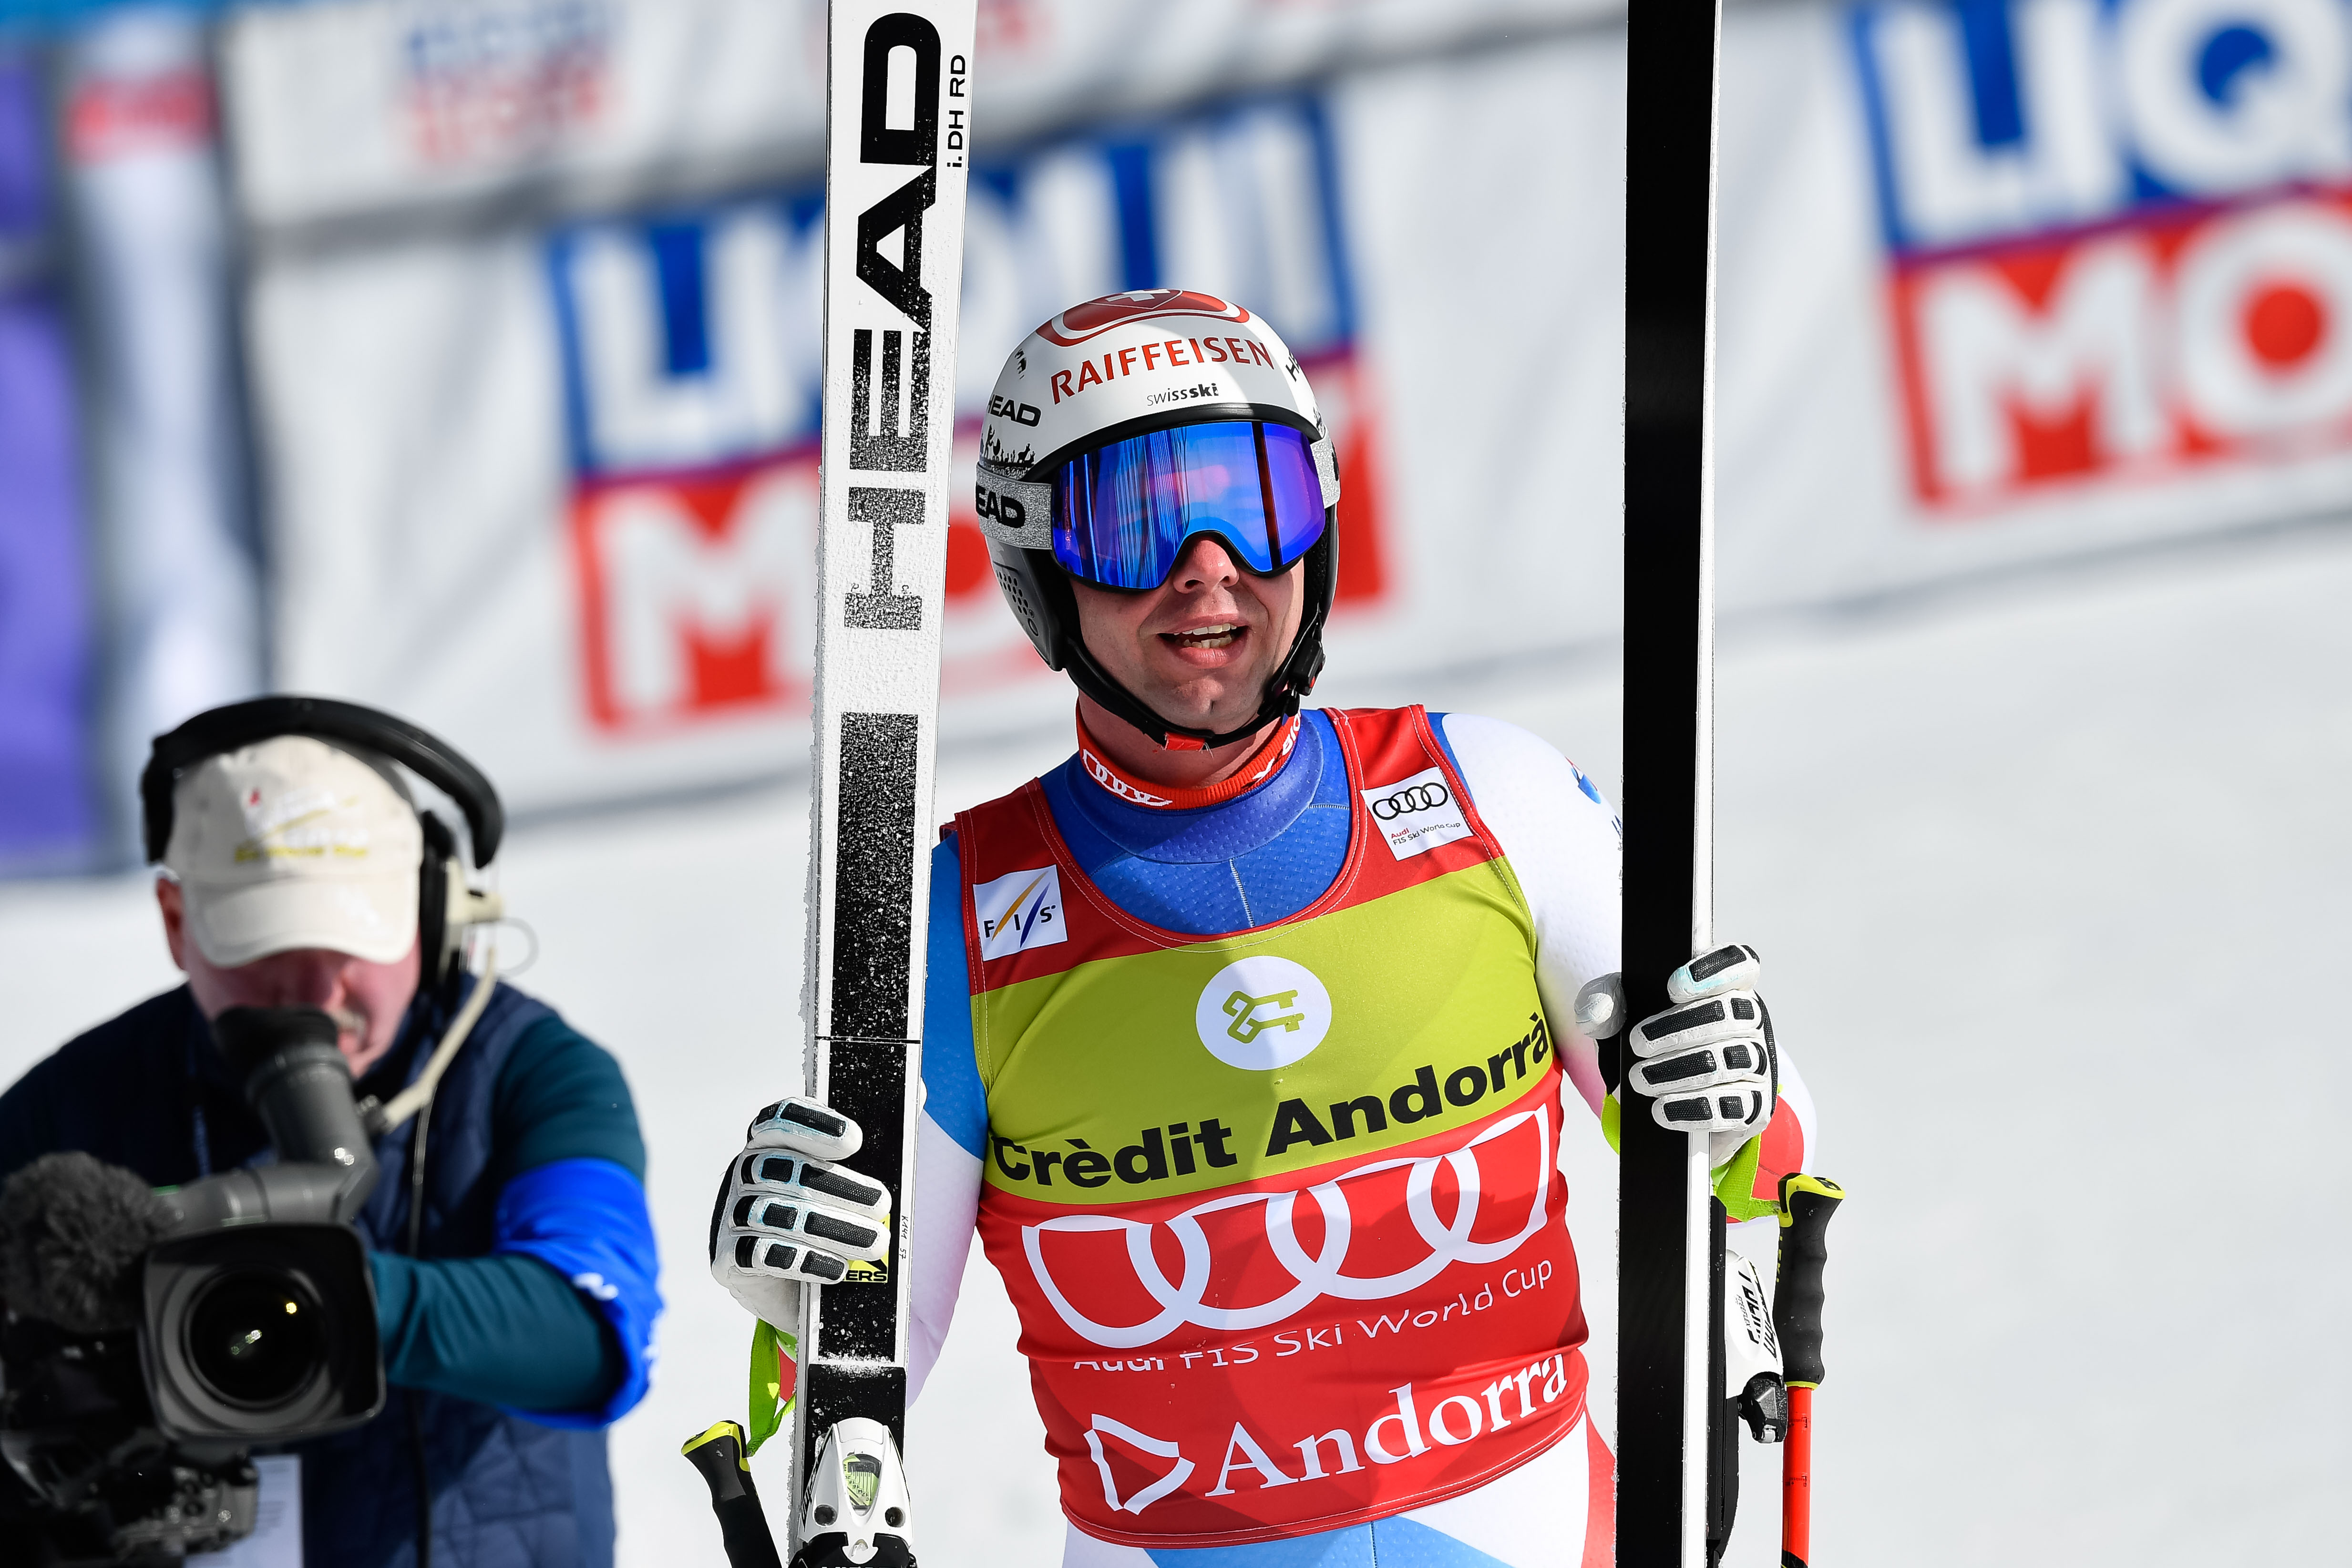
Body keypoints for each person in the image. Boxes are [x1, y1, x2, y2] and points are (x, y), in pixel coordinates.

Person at [712, 289, 1819, 1563]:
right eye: (1134, 521)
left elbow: (1759, 1170)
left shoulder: (1493, 797)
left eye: (1257, 501)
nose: (1207, 565)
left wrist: (1739, 1090)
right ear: (1039, 568)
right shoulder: (956, 921)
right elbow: (864, 1363)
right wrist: (790, 1299)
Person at [0, 698, 661, 1568]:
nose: (312, 993)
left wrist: (286, 1290)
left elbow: (590, 1338)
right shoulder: (71, 1107)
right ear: (177, 920)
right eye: (263, 945)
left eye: (348, 942)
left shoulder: (537, 1071)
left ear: (430, 910)